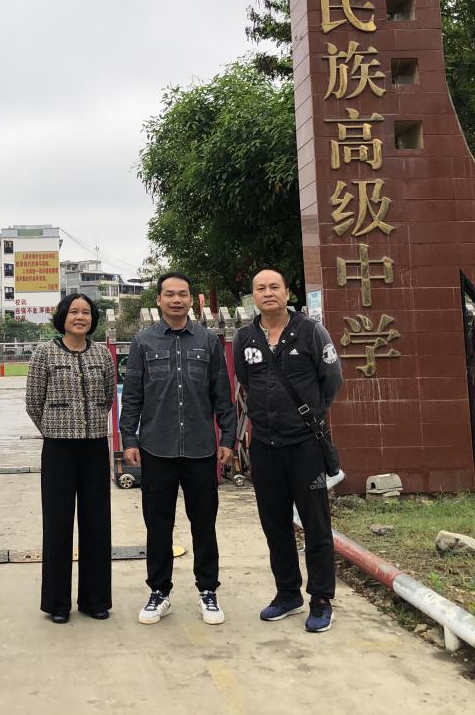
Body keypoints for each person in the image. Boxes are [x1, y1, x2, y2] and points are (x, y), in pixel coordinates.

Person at [120, 272, 236, 626]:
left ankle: (208, 591)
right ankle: (159, 591)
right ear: (158, 300)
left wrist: (227, 439)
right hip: (157, 448)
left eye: (182, 294)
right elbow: (133, 394)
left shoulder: (207, 341)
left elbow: (222, 394)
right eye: (169, 294)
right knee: (158, 525)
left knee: (204, 524)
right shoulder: (143, 342)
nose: (176, 300)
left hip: (201, 449)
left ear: (190, 299)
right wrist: (129, 439)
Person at [233, 268, 343, 634]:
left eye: (274, 287)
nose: (268, 293)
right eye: (260, 288)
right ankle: (287, 593)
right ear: (253, 296)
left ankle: (321, 599)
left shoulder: (310, 331)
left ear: (286, 292)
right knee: (274, 523)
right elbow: (246, 381)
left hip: (305, 445)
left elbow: (332, 381)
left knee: (315, 524)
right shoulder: (245, 337)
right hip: (265, 445)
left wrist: (307, 416)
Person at [25, 293, 115, 624]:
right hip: (58, 449)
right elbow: (33, 402)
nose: (80, 317)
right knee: (57, 525)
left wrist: (89, 423)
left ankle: (95, 599)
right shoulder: (44, 353)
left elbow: (108, 398)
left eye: (86, 312)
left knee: (97, 524)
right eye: (74, 311)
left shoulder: (102, 354)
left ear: (93, 319)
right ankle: (57, 603)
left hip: (94, 447)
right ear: (62, 317)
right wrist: (55, 427)